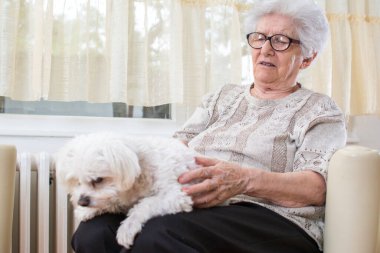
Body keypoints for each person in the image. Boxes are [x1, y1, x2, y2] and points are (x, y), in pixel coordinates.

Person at [71, 0, 347, 252]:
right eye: (259, 38)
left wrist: (244, 180)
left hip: (269, 217)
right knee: (95, 231)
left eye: (281, 41)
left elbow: (316, 187)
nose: (265, 49)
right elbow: (177, 145)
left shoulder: (319, 110)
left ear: (308, 57)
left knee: (159, 234)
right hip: (194, 204)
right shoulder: (221, 97)